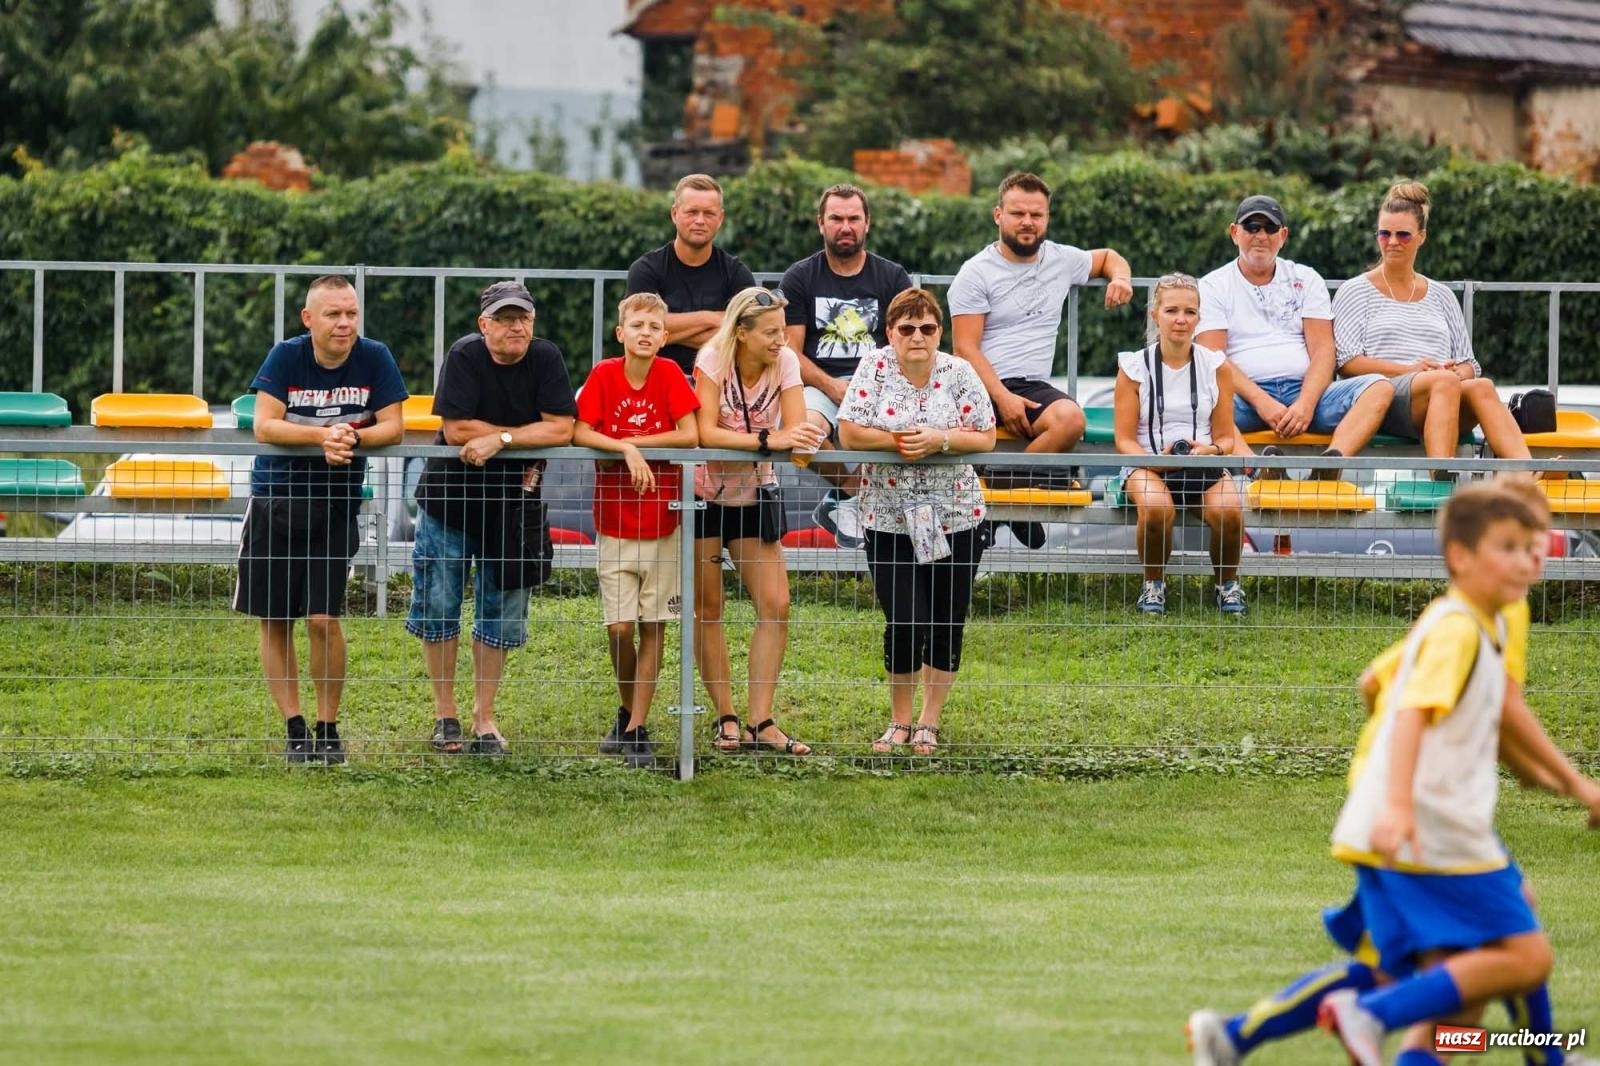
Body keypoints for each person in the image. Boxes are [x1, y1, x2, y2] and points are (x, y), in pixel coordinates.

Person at [1185, 478, 1600, 1066]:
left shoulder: (1494, 615)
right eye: (1513, 541)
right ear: (1466, 554)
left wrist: (1504, 763)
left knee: (1437, 982)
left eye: (1536, 538)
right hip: (1420, 816)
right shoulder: (1465, 622)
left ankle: (1234, 1035)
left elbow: (1381, 682)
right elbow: (1465, 706)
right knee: (1489, 961)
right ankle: (1534, 1055)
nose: (1533, 553)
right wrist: (1404, 787)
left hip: (1408, 805)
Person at [235, 274, 407, 765]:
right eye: (333, 314)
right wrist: (321, 438)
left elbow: (393, 426)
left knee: (323, 619)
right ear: (308, 318)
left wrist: (349, 440)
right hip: (275, 498)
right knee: (275, 620)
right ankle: (294, 728)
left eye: (351, 313)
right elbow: (265, 424)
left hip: (336, 502)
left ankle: (328, 727)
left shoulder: (375, 356)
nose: (345, 323)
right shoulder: (285, 356)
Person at [406, 281, 575, 757]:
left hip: (512, 510)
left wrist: (499, 441)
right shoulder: (464, 356)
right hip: (449, 505)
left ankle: (484, 718)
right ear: (484, 326)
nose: (515, 326)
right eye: (504, 318)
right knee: (439, 606)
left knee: (499, 612)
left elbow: (562, 428)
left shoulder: (547, 358)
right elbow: (456, 428)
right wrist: (526, 434)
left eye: (522, 317)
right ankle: (445, 715)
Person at [838, 288, 997, 757]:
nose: (917, 337)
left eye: (927, 328)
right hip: (888, 517)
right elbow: (848, 431)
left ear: (939, 332)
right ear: (890, 333)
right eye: (906, 328)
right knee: (904, 619)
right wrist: (899, 440)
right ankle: (899, 720)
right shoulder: (874, 367)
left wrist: (941, 440)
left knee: (947, 618)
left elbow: (985, 436)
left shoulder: (959, 372)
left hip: (955, 515)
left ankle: (930, 721)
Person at [691, 287, 826, 756]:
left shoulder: (786, 361)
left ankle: (761, 721)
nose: (780, 340)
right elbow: (706, 434)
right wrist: (770, 438)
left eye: (782, 330)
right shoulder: (712, 358)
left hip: (754, 497)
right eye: (770, 332)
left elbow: (799, 429)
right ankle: (726, 717)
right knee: (708, 608)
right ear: (741, 333)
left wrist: (774, 439)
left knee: (776, 604)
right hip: (702, 497)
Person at [573, 293, 700, 770]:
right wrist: (626, 451)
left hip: (664, 522)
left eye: (654, 327)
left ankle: (636, 728)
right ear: (620, 332)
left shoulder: (668, 374)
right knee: (619, 627)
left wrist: (636, 443)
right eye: (637, 324)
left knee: (653, 625)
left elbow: (688, 434)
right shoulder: (604, 375)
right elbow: (581, 431)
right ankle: (627, 708)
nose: (646, 332)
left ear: (665, 338)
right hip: (615, 523)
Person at [948, 171, 1134, 492]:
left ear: (1047, 217)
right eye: (1018, 213)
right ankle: (1039, 483)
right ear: (998, 215)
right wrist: (1002, 397)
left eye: (1036, 214)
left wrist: (1120, 279)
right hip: (978, 384)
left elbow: (1108, 257)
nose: (1027, 222)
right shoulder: (975, 272)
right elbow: (965, 349)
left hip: (1032, 386)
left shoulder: (1061, 259)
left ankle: (1000, 484)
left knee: (1071, 420)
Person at [1333, 181, 1532, 475]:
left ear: (1421, 237)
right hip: (1382, 397)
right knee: (1444, 383)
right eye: (1384, 233)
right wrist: (1413, 371)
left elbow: (1470, 364)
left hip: (1441, 393)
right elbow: (1347, 363)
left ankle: (1527, 473)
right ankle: (1439, 478)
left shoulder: (1441, 295)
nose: (1392, 242)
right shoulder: (1354, 291)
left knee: (1482, 386)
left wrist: (1453, 372)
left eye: (1403, 234)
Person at [1196, 194, 1392, 480]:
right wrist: (1264, 404)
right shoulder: (1213, 284)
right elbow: (1214, 358)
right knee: (1203, 402)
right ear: (1234, 232)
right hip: (1242, 400)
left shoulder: (1306, 277)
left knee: (1380, 388)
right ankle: (1257, 467)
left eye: (1270, 228)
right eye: (1252, 227)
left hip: (1307, 393)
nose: (1261, 235)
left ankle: (1329, 467)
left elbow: (1324, 350)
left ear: (1283, 236)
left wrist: (1305, 404)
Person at [779, 183, 913, 546]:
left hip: (880, 386)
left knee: (910, 437)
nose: (845, 226)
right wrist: (833, 387)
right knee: (802, 437)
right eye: (836, 218)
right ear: (821, 223)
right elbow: (789, 352)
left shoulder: (892, 277)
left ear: (867, 223)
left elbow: (906, 345)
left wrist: (865, 387)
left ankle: (847, 508)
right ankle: (855, 496)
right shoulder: (800, 276)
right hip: (818, 384)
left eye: (854, 218)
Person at [1112, 273, 1245, 616]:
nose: (1181, 320)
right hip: (1147, 464)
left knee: (1230, 512)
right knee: (1157, 509)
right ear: (1155, 314)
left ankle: (1226, 586)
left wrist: (1210, 451)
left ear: (1200, 317)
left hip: (1202, 464)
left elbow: (1227, 438)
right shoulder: (1132, 366)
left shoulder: (1216, 366)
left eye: (1190, 311)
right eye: (1171, 310)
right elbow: (1124, 441)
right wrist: (1159, 462)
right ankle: (1153, 585)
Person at [626, 173, 756, 377]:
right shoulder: (646, 269)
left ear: (720, 218)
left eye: (709, 213)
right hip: (655, 381)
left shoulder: (737, 273)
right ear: (674, 214)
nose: (700, 220)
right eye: (692, 212)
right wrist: (713, 318)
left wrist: (666, 330)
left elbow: (747, 335)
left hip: (720, 382)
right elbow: (640, 330)